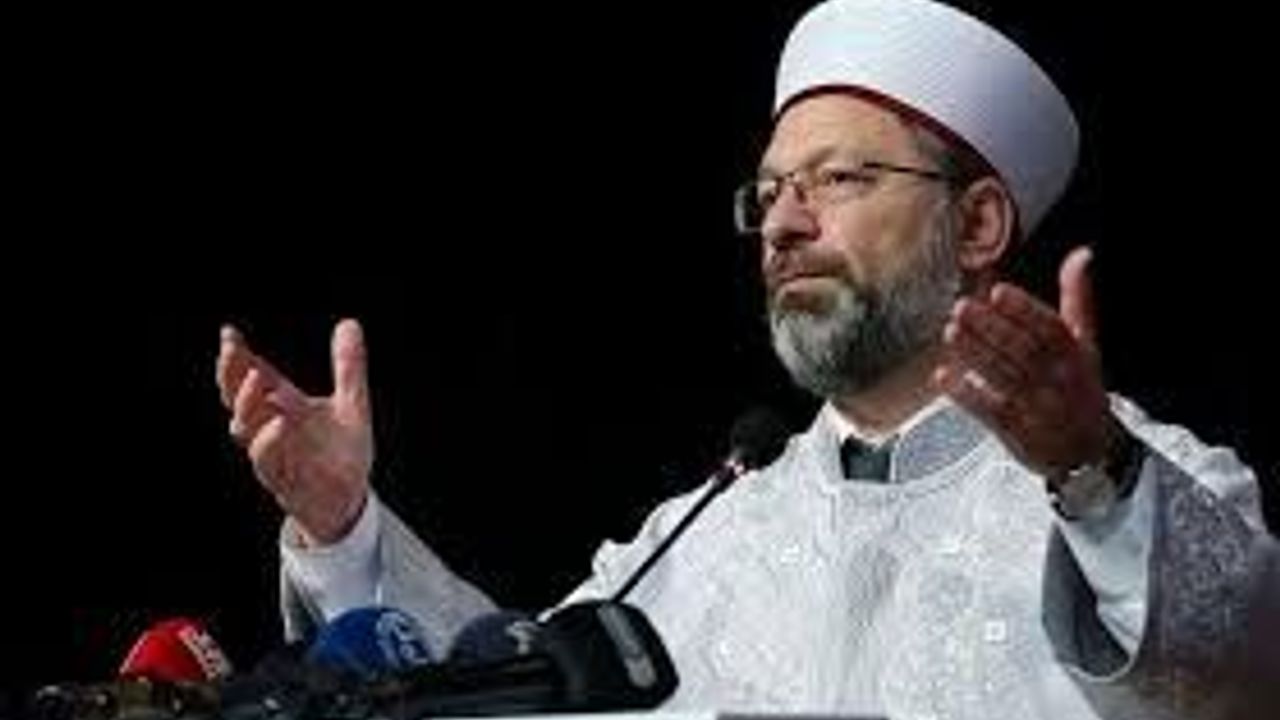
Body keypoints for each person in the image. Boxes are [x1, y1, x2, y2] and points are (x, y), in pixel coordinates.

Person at [215, 0, 1277, 717]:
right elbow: (511, 687)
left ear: (977, 223)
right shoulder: (713, 530)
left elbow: (1237, 676)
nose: (782, 224)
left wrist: (1090, 473)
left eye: (838, 180)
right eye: (768, 193)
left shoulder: (1146, 480)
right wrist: (345, 531)